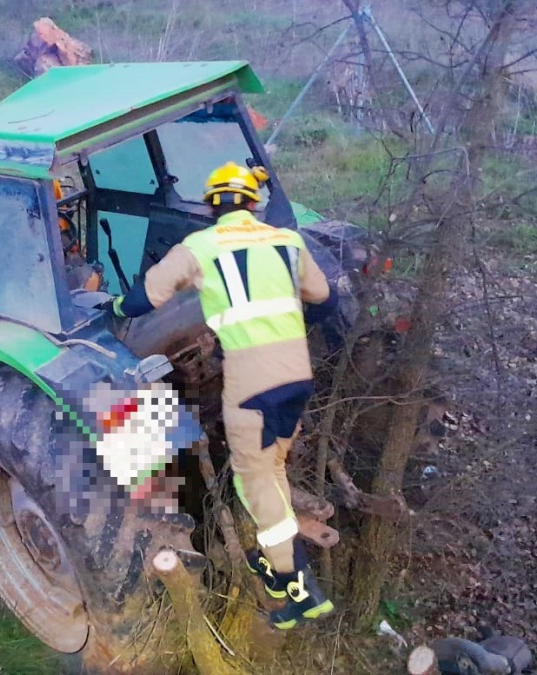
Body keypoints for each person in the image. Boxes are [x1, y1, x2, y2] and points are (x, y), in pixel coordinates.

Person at [104, 161, 338, 629]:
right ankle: (284, 563)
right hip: (296, 381)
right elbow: (325, 301)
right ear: (253, 203)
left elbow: (146, 299)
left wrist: (113, 307)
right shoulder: (288, 241)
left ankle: (294, 589)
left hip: (251, 389)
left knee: (254, 487)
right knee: (272, 468)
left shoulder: (199, 246)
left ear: (212, 207)